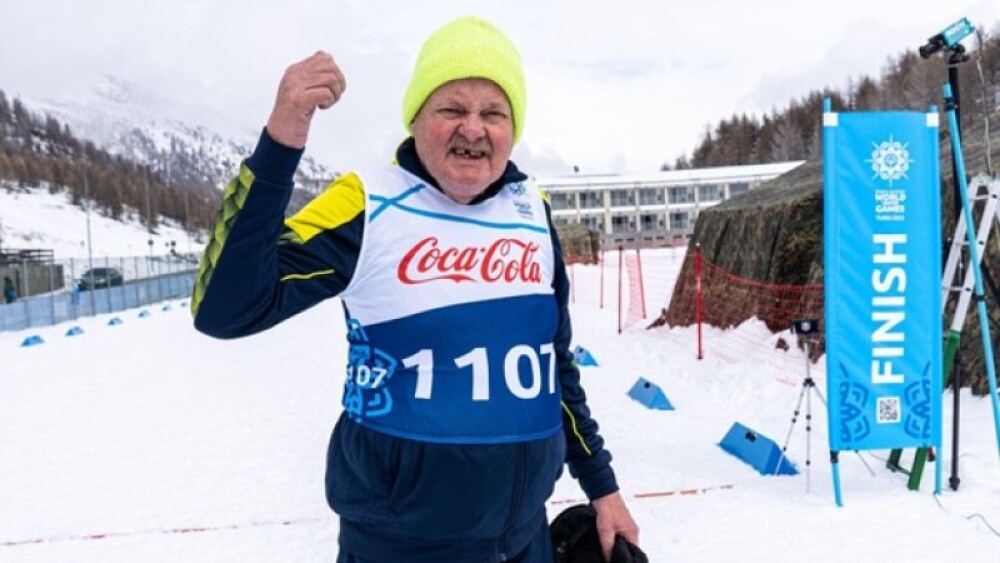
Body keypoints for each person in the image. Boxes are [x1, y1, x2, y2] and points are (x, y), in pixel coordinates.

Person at [191, 16, 639, 563]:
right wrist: (281, 142)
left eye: (493, 113)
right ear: (417, 118)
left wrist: (602, 486)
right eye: (452, 108)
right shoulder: (366, 201)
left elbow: (554, 365)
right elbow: (226, 307)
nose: (473, 129)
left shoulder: (532, 212)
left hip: (525, 539)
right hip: (400, 546)